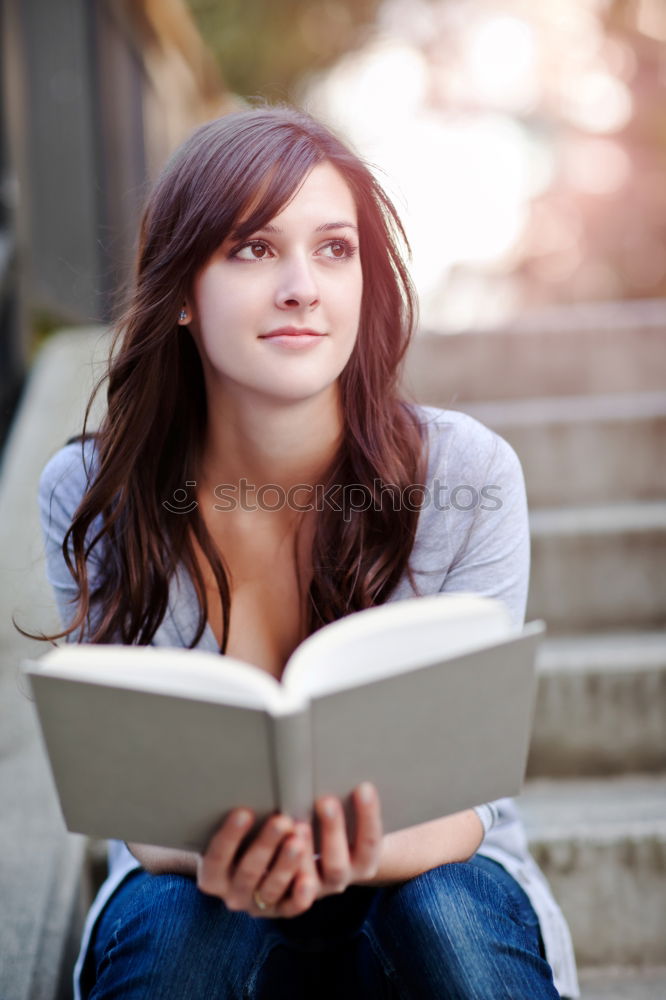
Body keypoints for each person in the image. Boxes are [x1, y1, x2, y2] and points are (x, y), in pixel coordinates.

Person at [36, 105, 579, 999]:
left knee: (447, 914)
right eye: (253, 249)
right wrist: (225, 857)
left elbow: (470, 803)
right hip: (197, 886)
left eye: (334, 249)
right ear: (179, 290)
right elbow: (133, 815)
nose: (302, 287)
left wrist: (336, 857)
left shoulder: (466, 474)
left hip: (422, 873)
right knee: (173, 930)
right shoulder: (92, 493)